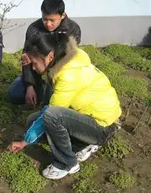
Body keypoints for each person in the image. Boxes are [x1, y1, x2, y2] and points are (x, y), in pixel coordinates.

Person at [8, 33, 121, 180]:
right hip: (91, 116)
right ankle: (84, 144)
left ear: (49, 56)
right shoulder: (65, 61)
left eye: (35, 63)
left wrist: (24, 142)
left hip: (102, 125)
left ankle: (66, 163)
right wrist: (28, 138)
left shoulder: (67, 75)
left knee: (51, 116)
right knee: (33, 120)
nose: (33, 68)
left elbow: (51, 112)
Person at [7, 0, 81, 108]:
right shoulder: (34, 29)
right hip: (36, 71)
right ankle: (39, 90)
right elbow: (26, 59)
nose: (48, 24)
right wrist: (29, 86)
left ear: (62, 16)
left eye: (52, 20)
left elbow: (69, 60)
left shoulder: (73, 30)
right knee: (14, 95)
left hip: (60, 75)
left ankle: (48, 95)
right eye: (45, 19)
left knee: (52, 102)